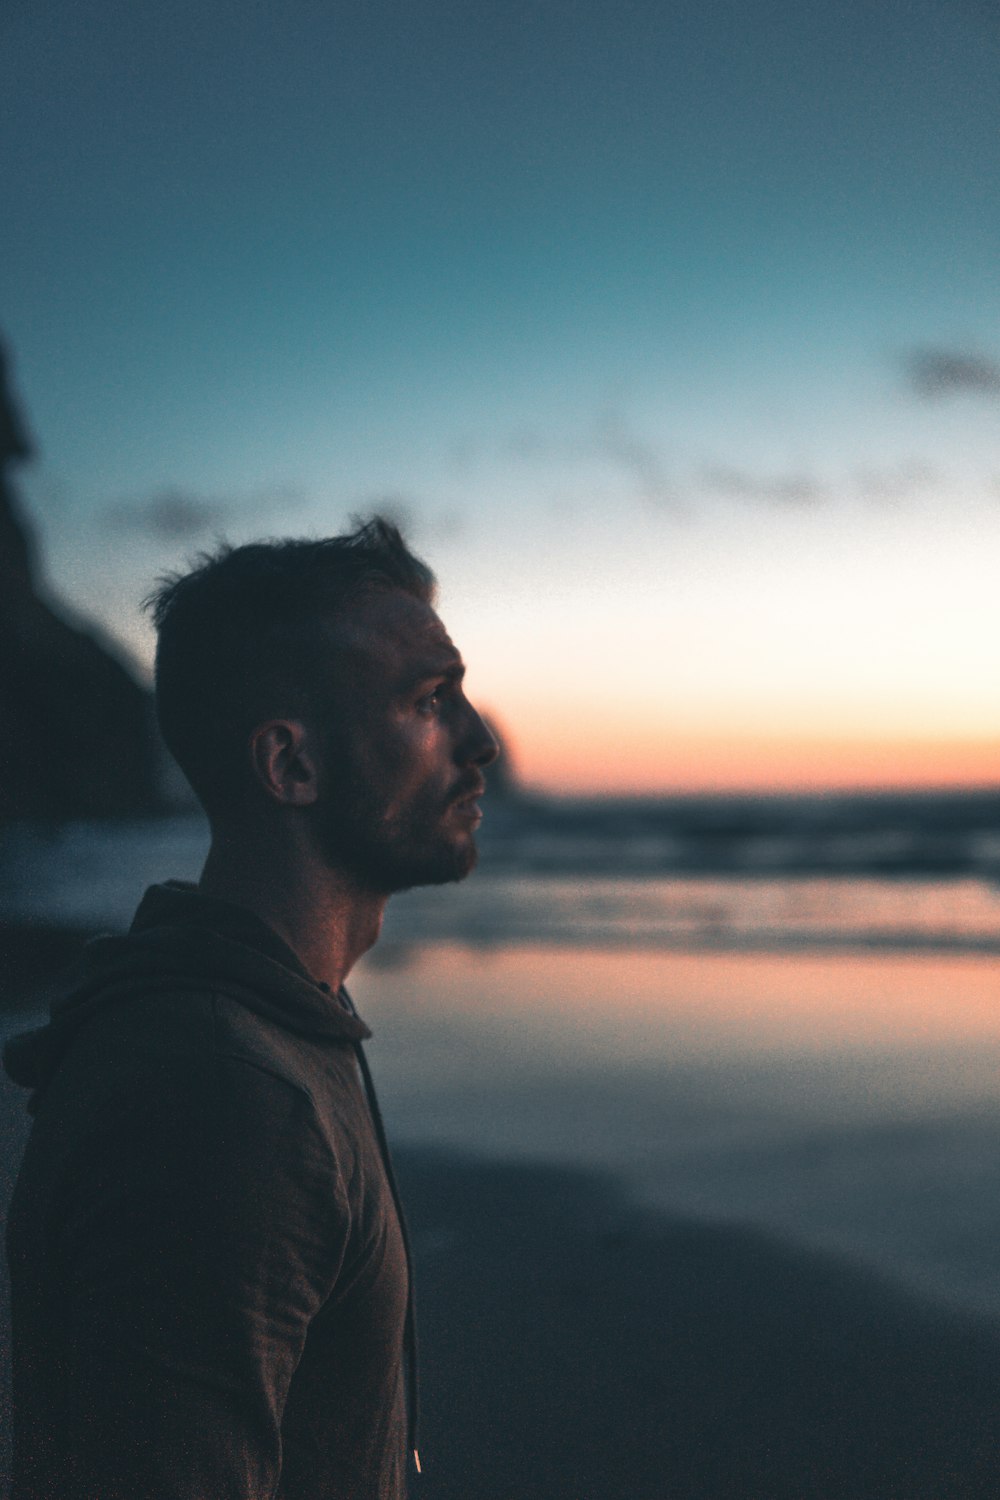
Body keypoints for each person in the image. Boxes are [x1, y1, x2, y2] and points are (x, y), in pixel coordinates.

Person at [4, 516, 499, 1500]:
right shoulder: (224, 1100)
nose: (479, 740)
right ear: (291, 767)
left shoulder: (281, 1020)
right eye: (429, 700)